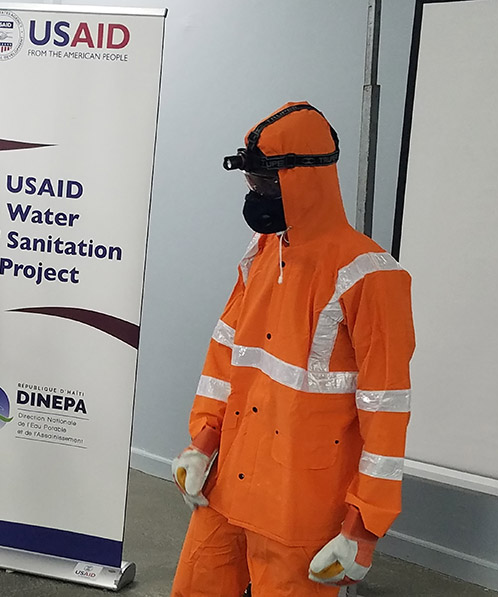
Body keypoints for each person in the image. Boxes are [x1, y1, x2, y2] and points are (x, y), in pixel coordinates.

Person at [170, 102, 415, 596]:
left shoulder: (371, 276)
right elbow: (225, 359)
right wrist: (203, 442)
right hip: (231, 484)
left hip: (300, 506)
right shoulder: (260, 255)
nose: (256, 194)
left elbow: (386, 412)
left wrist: (362, 527)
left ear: (305, 179)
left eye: (266, 183)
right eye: (252, 182)